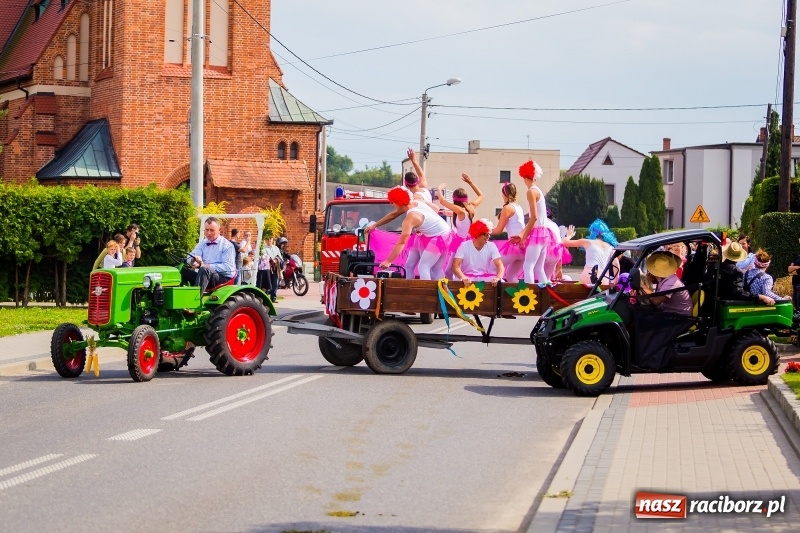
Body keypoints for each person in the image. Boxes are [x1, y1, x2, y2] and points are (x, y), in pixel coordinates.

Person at [370, 186, 451, 280]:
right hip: (444, 232)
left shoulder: (410, 219)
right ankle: (437, 291)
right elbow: (436, 209)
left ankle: (427, 293)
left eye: (393, 202)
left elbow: (402, 242)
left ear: (399, 202)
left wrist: (388, 261)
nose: (392, 205)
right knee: (428, 267)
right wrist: (375, 225)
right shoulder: (416, 202)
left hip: (439, 237)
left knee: (424, 267)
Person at [436, 173, 484, 277]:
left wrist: (439, 189)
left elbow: (442, 201)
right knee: (461, 270)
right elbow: (481, 195)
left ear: (455, 199)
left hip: (460, 243)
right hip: (470, 241)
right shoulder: (471, 207)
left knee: (450, 271)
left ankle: (451, 292)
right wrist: (470, 182)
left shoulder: (460, 210)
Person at [512, 160, 551, 284]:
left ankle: (529, 296)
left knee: (528, 266)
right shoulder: (538, 191)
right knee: (539, 269)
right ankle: (547, 295)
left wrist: (523, 235)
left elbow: (533, 217)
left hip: (537, 233)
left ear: (524, 176)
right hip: (545, 233)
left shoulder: (531, 192)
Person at [181, 217, 236, 293]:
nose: (208, 233)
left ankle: (194, 300)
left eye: (212, 230)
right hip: (203, 275)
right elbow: (190, 257)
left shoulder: (227, 246)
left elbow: (228, 267)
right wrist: (194, 259)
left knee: (204, 269)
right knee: (180, 270)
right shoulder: (202, 243)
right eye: (207, 230)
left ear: (219, 230)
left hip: (222, 278)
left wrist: (208, 266)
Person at [562, 219, 618, 287]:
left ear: (592, 232)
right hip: (603, 280)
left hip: (588, 276)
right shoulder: (611, 248)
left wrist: (569, 235)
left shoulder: (588, 242)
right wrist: (615, 282)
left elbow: (565, 243)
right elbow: (616, 264)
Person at [451, 219, 504, 286]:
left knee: (500, 283)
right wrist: (463, 277)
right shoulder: (464, 245)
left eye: (489, 234)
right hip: (467, 278)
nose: (488, 236)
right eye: (485, 234)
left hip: (485, 278)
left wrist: (498, 278)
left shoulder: (491, 246)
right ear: (477, 234)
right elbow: (455, 265)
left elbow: (500, 265)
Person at [638, 250, 692, 316]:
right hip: (669, 312)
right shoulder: (664, 279)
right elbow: (649, 280)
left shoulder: (671, 282)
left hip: (679, 317)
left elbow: (656, 301)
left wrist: (643, 286)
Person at [492, 182, 526, 282]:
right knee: (510, 276)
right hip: (523, 247)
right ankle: (522, 294)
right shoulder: (518, 207)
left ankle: (497, 294)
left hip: (514, 246)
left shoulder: (507, 208)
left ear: (504, 194)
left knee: (492, 267)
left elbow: (498, 230)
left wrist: (484, 230)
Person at [258, 236, 282, 302]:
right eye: (268, 240)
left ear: (272, 240)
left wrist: (276, 259)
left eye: (270, 240)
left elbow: (280, 257)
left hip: (275, 268)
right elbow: (263, 257)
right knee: (267, 283)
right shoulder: (263, 248)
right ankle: (265, 297)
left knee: (275, 283)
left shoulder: (276, 248)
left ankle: (273, 297)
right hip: (267, 268)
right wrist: (270, 259)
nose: (269, 241)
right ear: (266, 240)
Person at [789, 244, 800, 310]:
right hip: (795, 283)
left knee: (799, 305)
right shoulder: (797, 257)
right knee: (795, 304)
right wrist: (797, 267)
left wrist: (794, 269)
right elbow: (789, 269)